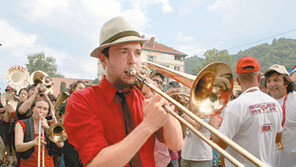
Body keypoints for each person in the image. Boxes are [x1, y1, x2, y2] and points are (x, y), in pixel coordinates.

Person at [64, 16, 183, 167]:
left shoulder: (145, 96)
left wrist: (161, 102)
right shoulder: (82, 100)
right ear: (104, 59)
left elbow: (176, 144)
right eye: (123, 52)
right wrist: (147, 126)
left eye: (138, 53)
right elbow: (97, 164)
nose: (133, 61)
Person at [211, 56, 282, 167]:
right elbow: (277, 138)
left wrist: (213, 123)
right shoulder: (275, 104)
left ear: (238, 81)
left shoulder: (235, 106)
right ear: (259, 78)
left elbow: (220, 144)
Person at [14, 98, 63, 167]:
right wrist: (33, 143)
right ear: (33, 108)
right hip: (28, 164)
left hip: (48, 164)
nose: (41, 111)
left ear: (48, 112)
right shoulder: (21, 124)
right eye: (39, 107)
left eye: (45, 109)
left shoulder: (51, 125)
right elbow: (18, 147)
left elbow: (61, 144)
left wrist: (48, 128)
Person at [264, 64, 296, 167]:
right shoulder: (264, 103)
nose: (272, 84)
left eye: (276, 80)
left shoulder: (294, 99)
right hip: (270, 161)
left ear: (286, 82)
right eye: (269, 81)